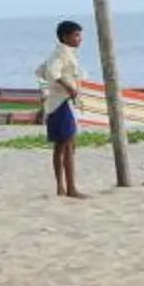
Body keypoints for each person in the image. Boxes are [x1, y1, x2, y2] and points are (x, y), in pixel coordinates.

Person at [36, 21, 91, 199]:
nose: (80, 39)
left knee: (66, 146)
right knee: (65, 145)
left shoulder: (63, 53)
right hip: (61, 103)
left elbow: (40, 71)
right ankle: (68, 188)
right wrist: (70, 87)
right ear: (65, 37)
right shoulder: (60, 54)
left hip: (62, 103)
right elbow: (52, 73)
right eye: (76, 35)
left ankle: (64, 187)